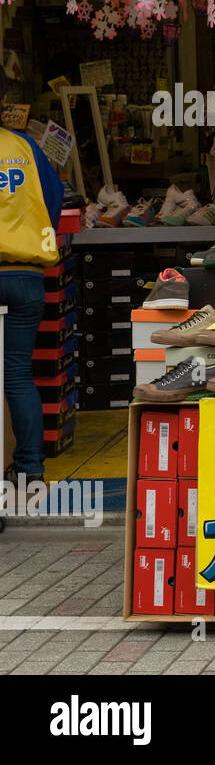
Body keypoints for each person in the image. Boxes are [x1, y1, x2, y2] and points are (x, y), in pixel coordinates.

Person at [0, 72, 63, 487]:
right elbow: (55, 200)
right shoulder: (23, 146)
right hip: (25, 275)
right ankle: (29, 469)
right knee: (18, 375)